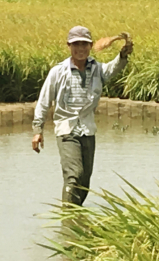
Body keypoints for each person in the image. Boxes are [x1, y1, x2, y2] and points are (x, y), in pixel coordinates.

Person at [31, 26, 134, 206]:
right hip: (66, 129)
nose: (80, 48)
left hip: (87, 129)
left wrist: (123, 54)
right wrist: (37, 130)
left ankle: (76, 218)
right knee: (74, 175)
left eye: (84, 44)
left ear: (91, 45)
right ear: (69, 46)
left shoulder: (97, 69)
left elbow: (113, 68)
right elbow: (44, 100)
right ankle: (68, 219)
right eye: (76, 44)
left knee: (85, 181)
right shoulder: (58, 72)